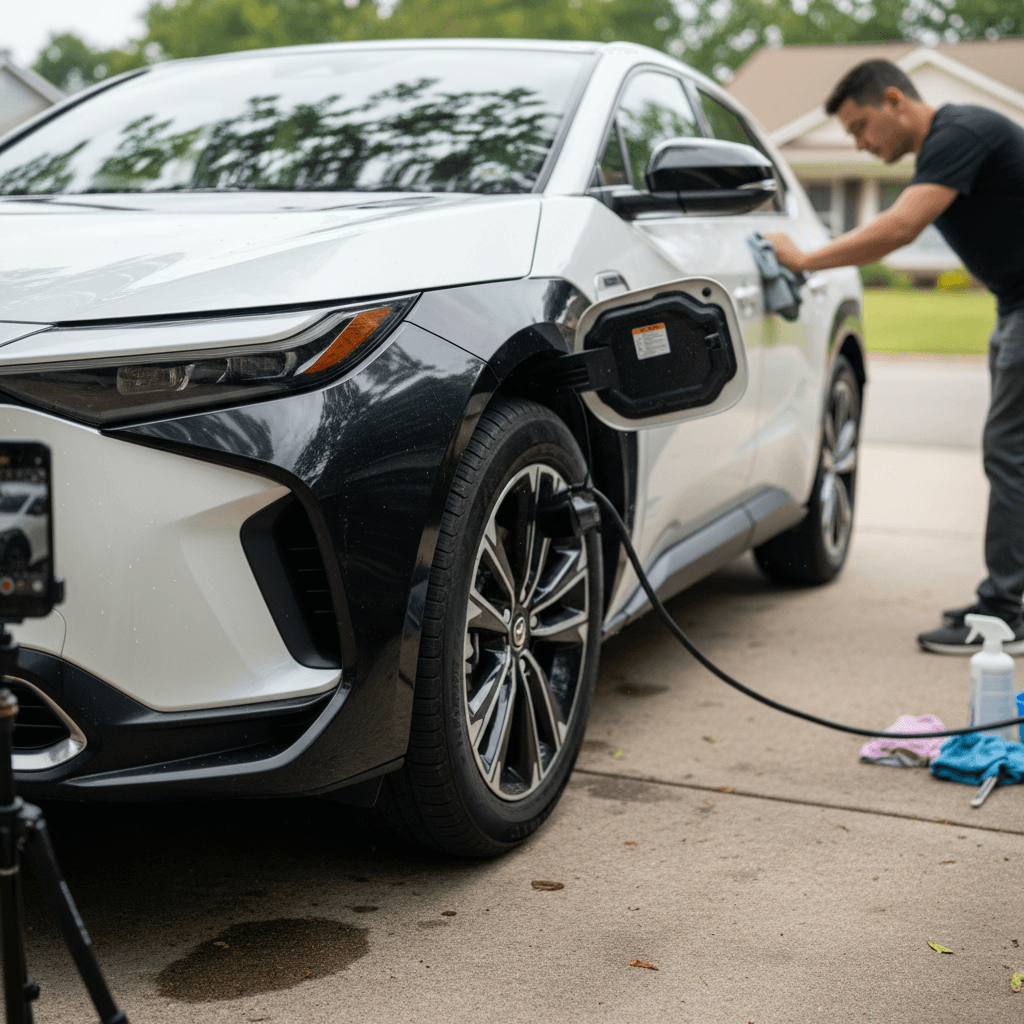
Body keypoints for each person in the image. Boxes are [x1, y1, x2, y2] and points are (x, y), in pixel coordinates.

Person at [764, 58, 1024, 655]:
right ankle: (1006, 601)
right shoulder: (951, 142)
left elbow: (901, 227)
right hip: (1014, 304)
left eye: (860, 128)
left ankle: (1004, 612)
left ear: (894, 100)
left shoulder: (958, 133)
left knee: (1008, 453)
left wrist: (804, 260)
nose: (859, 143)